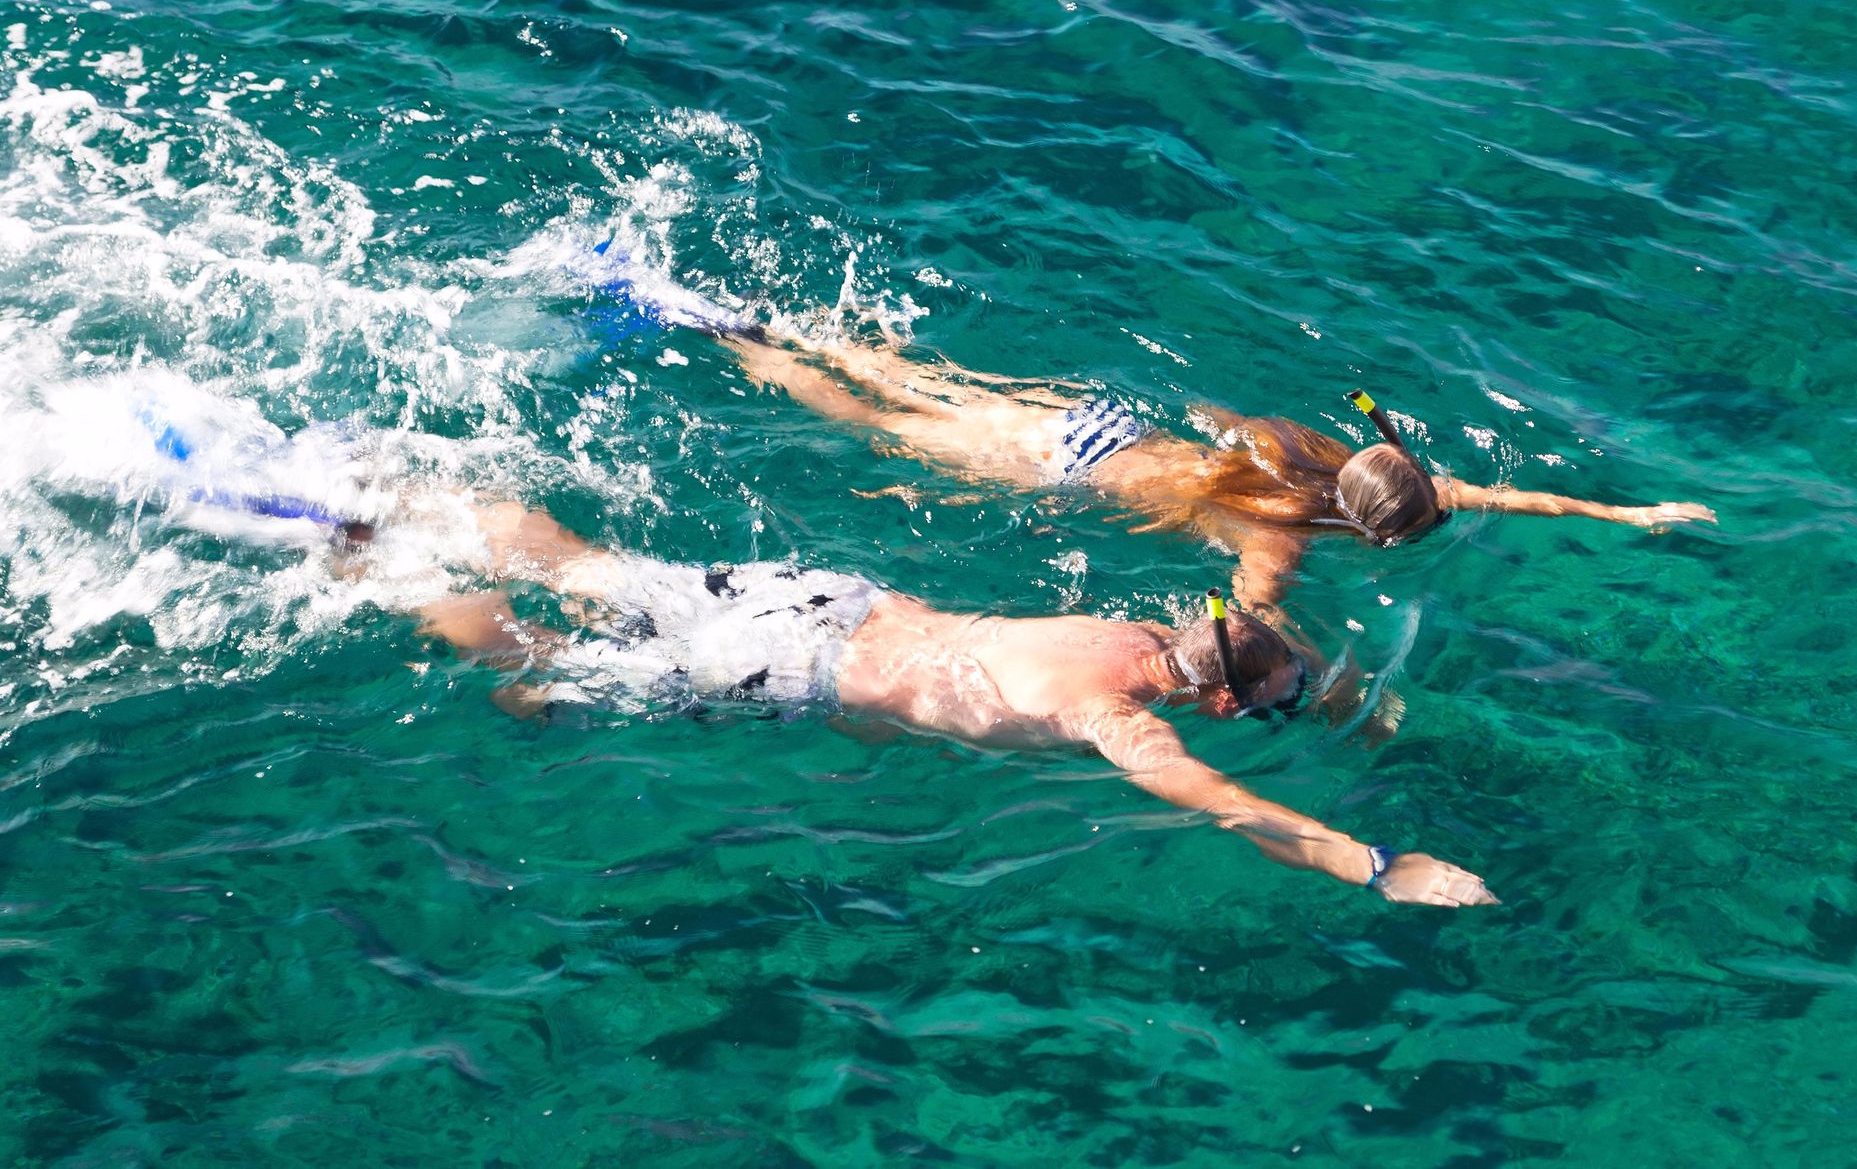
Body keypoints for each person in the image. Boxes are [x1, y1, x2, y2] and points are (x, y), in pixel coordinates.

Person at [411, 501, 1499, 908]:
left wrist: (1311, 680)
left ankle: (445, 504)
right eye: (1263, 704)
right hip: (795, 667)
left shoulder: (1132, 631)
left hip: (835, 597)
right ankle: (404, 587)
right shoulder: (1122, 721)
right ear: (1214, 708)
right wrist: (1373, 865)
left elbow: (1246, 616)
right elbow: (1232, 809)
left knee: (595, 564)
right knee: (542, 669)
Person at [652, 297, 1715, 608]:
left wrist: (1633, 516)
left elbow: (1492, 494)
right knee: (873, 428)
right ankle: (727, 340)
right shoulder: (1282, 542)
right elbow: (1248, 626)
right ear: (1385, 536)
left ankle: (790, 325)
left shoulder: (1319, 456)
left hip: (1101, 421)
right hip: (1065, 471)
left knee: (919, 385)